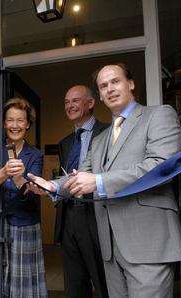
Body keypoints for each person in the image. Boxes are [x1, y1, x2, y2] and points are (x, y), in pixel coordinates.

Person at [28, 64, 181, 297]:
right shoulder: (100, 139)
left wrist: (100, 182)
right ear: (100, 96)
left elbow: (161, 166)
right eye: (104, 86)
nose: (110, 89)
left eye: (115, 81)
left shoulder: (160, 115)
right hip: (110, 248)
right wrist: (51, 186)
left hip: (147, 242)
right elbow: (80, 174)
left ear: (130, 84)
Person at [0, 98, 47, 298]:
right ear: (4, 123)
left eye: (20, 120)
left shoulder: (35, 154)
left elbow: (30, 194)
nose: (15, 125)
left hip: (25, 223)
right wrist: (3, 172)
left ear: (27, 124)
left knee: (23, 282)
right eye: (10, 120)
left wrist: (19, 179)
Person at [56, 85, 108, 298]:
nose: (70, 106)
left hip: (97, 215)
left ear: (90, 103)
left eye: (75, 101)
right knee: (74, 285)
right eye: (67, 102)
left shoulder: (109, 132)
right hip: (68, 217)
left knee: (104, 282)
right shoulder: (65, 143)